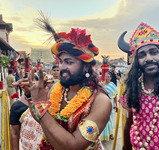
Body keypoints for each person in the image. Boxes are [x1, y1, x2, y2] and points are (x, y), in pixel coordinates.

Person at [23, 14, 112, 150]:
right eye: (61, 61)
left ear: (86, 66)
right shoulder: (55, 89)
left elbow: (73, 146)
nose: (62, 67)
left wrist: (40, 106)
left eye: (69, 62)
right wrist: (31, 97)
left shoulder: (100, 101)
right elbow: (45, 124)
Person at [10, 71, 43, 150]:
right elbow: (15, 132)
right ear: (22, 86)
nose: (31, 86)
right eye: (28, 84)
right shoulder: (17, 106)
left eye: (33, 83)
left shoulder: (47, 100)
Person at [100, 72, 118, 141]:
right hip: (101, 104)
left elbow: (115, 95)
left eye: (109, 77)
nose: (107, 78)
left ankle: (110, 133)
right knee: (102, 119)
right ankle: (102, 134)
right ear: (104, 77)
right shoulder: (101, 85)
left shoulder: (112, 85)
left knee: (109, 118)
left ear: (110, 78)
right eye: (106, 76)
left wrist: (116, 105)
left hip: (109, 103)